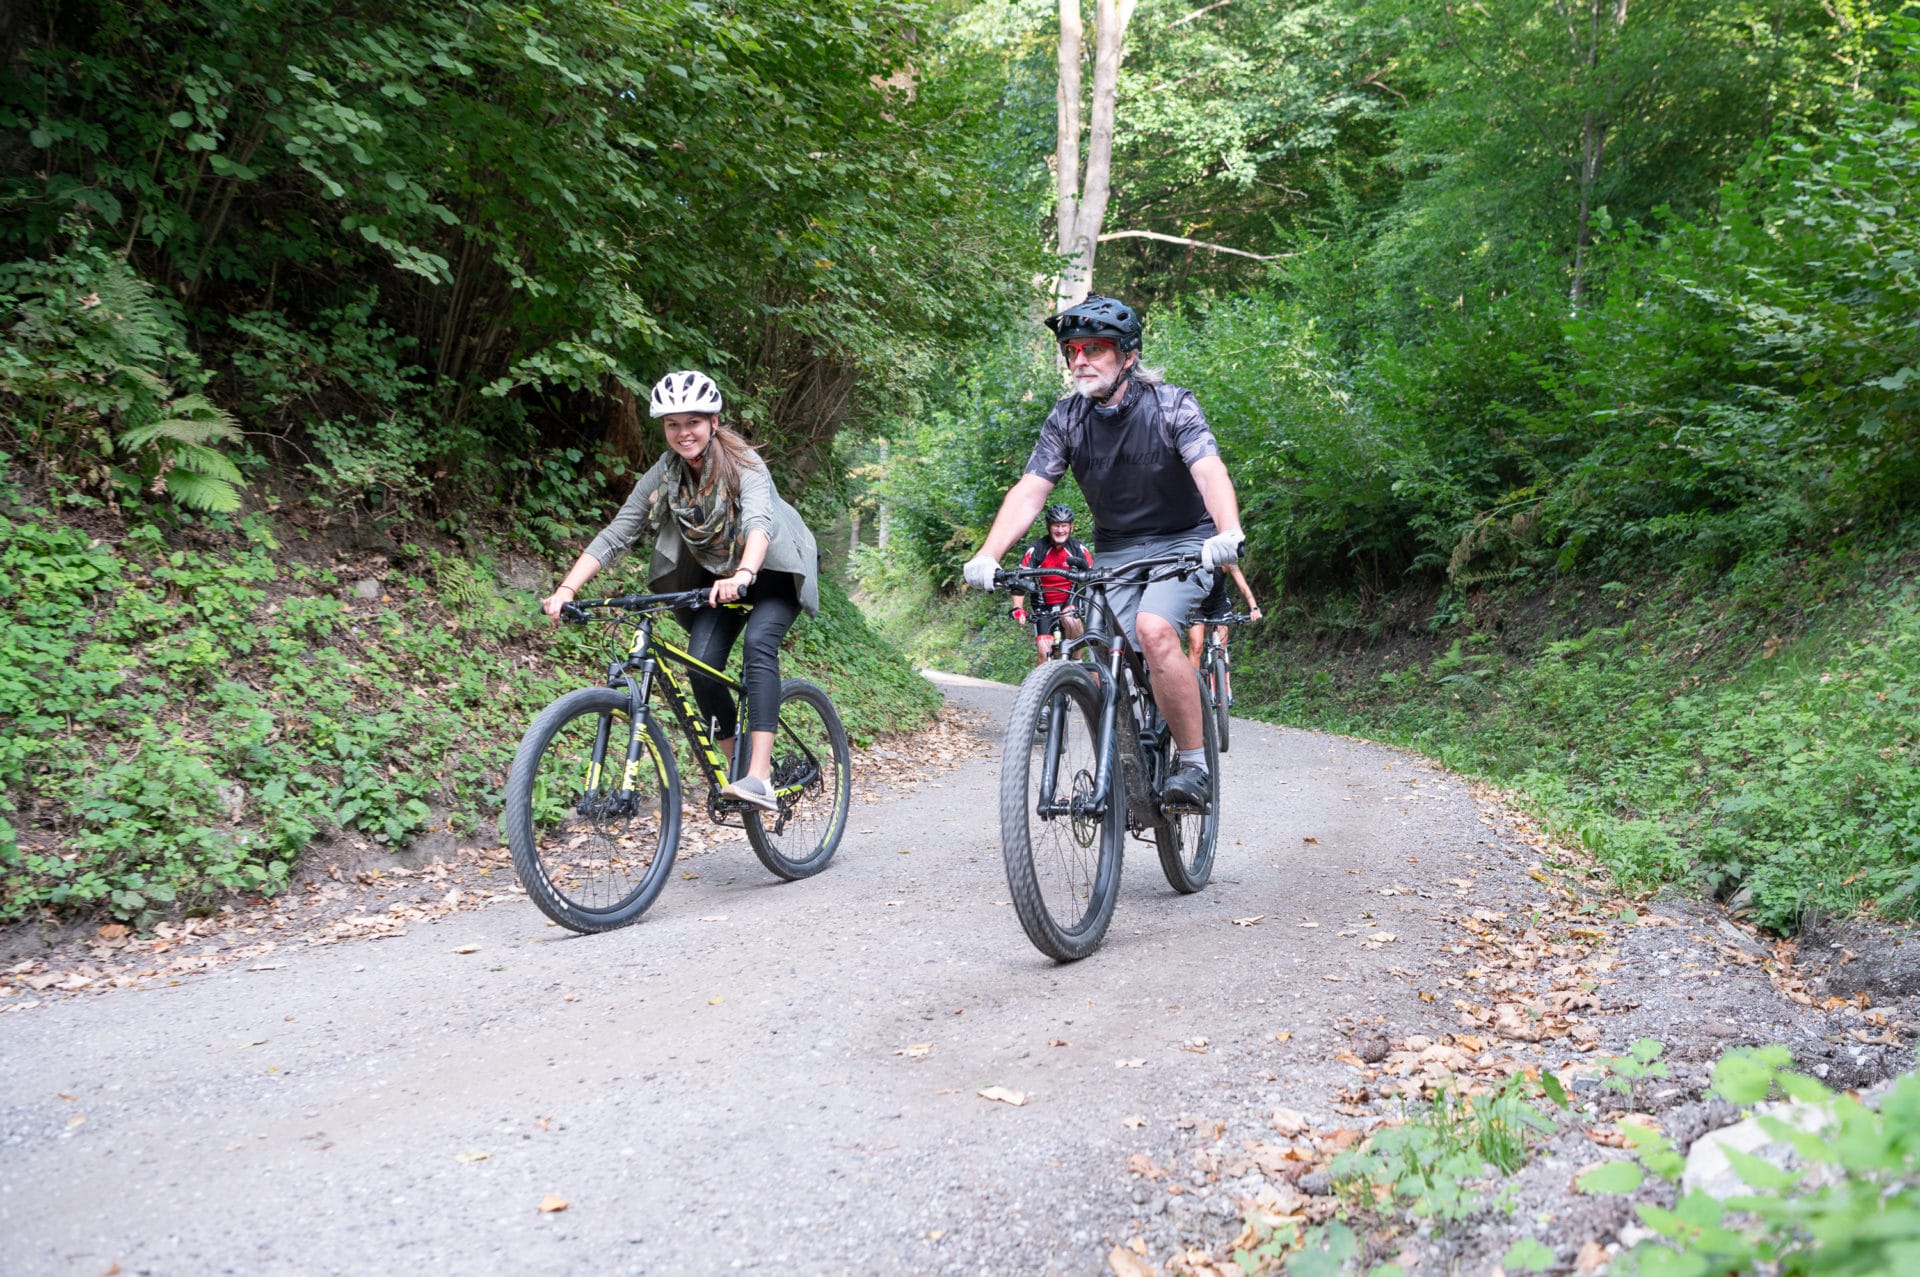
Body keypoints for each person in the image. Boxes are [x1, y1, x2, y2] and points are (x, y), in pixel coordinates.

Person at [961, 294, 1246, 810]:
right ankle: (1128, 752)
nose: (1079, 360)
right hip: (1115, 549)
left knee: (1155, 632)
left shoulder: (1171, 404)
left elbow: (1208, 469)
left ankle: (1194, 765)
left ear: (1128, 355)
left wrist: (1227, 530)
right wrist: (988, 553)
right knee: (1099, 648)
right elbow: (1031, 489)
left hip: (1183, 541)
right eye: (1072, 350)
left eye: (1094, 348)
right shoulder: (1067, 418)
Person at [542, 370, 820, 812]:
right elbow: (619, 531)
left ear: (713, 421)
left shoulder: (744, 462)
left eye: (692, 421)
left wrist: (745, 573)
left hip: (771, 569)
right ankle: (737, 777)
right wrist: (566, 589)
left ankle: (760, 777)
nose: (682, 432)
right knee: (702, 664)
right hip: (719, 579)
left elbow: (758, 523)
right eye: (672, 424)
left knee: (758, 645)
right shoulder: (666, 473)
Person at [1010, 503, 1093, 667]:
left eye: (1064, 525)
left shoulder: (1078, 548)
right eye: (1056, 525)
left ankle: (1077, 662)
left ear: (1071, 527)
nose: (1060, 530)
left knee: (1070, 620)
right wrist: (1017, 608)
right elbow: (1020, 581)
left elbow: (1093, 576)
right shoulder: (1037, 549)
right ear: (1049, 526)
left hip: (1069, 601)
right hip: (1043, 605)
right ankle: (1042, 689)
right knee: (1044, 653)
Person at [1187, 564, 1262, 672]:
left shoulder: (1225, 560)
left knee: (1221, 648)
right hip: (1196, 605)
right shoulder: (1192, 559)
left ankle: (1224, 686)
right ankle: (1193, 686)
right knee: (1196, 646)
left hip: (1219, 604)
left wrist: (1254, 608)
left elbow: (1243, 587)